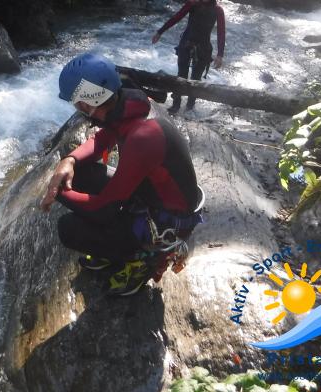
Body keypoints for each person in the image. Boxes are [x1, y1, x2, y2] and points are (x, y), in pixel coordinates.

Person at [41, 52, 202, 296]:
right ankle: (115, 246)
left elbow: (103, 210)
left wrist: (57, 192)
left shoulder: (142, 136)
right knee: (79, 173)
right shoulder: (127, 106)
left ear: (85, 104)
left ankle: (141, 259)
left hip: (163, 225)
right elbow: (101, 139)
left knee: (68, 229)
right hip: (151, 197)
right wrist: (70, 160)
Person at [152, 0, 226, 113]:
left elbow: (221, 32)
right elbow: (176, 17)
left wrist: (220, 55)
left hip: (203, 47)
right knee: (181, 75)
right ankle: (175, 105)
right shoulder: (193, 4)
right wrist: (160, 32)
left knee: (196, 79)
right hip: (186, 43)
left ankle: (190, 107)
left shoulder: (218, 10)